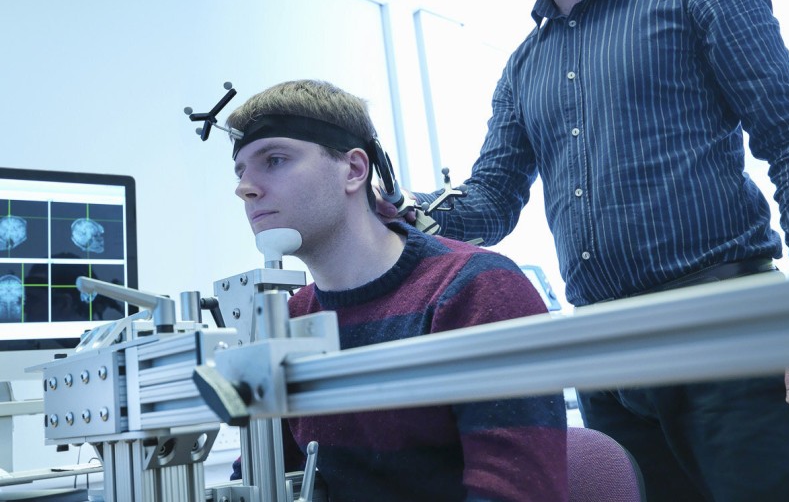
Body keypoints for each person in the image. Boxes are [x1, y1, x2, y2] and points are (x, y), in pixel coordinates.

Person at [383, 0, 789, 502]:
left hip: (732, 338)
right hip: (609, 360)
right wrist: (400, 212)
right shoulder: (522, 70)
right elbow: (491, 204)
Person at [227, 79, 567, 502]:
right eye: (240, 172)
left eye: (274, 160)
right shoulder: (291, 320)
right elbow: (261, 476)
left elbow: (517, 494)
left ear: (353, 169)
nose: (245, 187)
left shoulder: (476, 292)